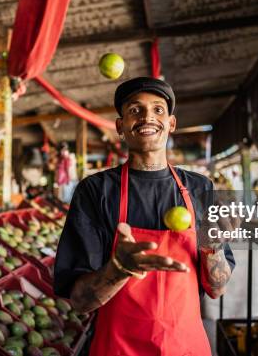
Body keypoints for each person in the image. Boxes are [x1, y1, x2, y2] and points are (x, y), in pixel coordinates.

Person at [54, 77, 235, 356]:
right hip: (119, 348)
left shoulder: (200, 188)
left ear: (171, 124)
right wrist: (118, 270)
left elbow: (217, 289)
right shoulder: (96, 191)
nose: (147, 116)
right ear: (120, 126)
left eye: (158, 109)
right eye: (135, 110)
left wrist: (215, 246)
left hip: (185, 347)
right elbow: (80, 302)